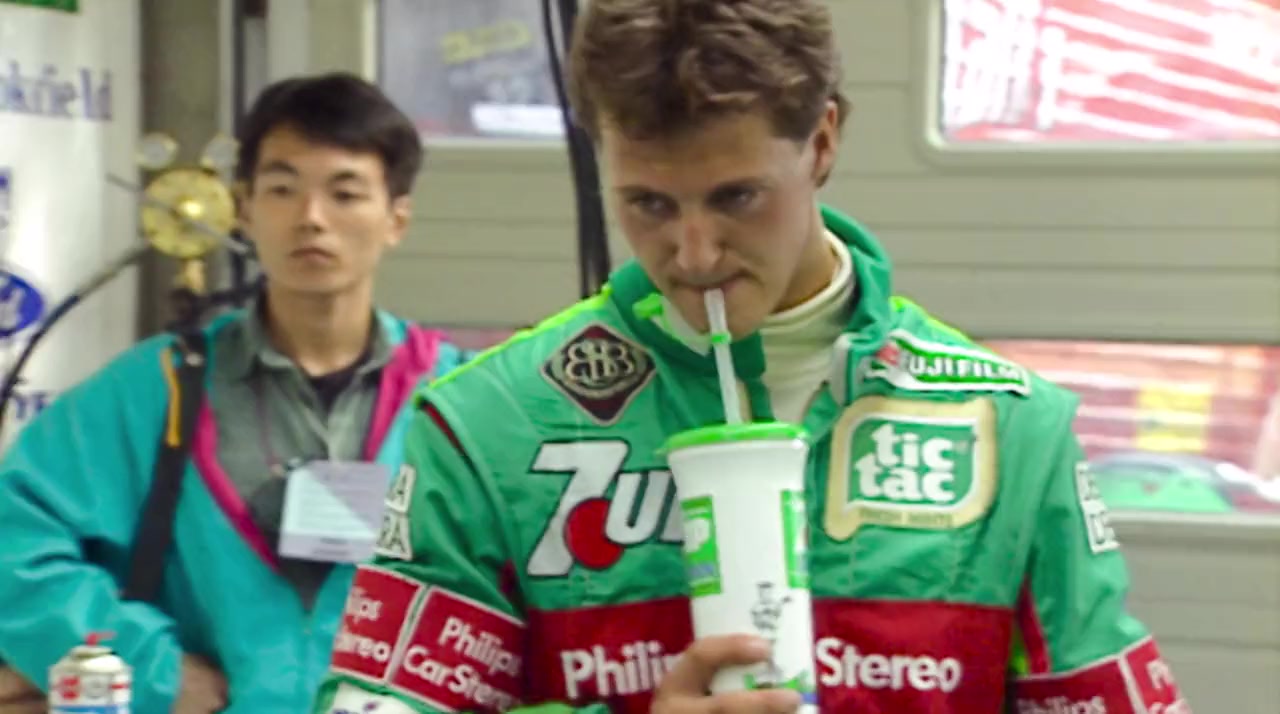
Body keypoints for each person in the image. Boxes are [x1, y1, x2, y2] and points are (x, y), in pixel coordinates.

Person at [311, 2, 1192, 712]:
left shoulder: (1010, 427)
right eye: (648, 204)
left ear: (822, 143)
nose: (693, 254)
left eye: (737, 197)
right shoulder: (490, 425)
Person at [0, 72, 470, 714]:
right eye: (282, 189)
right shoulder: (157, 389)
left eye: (345, 193)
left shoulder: (457, 398)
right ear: (244, 211)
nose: (311, 218)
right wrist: (146, 666)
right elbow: (15, 546)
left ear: (397, 218)